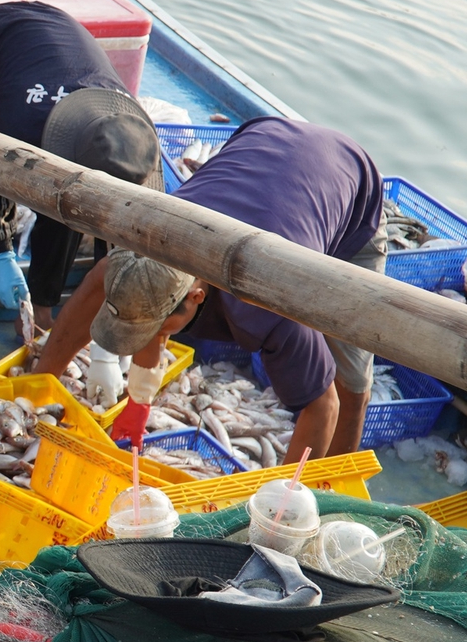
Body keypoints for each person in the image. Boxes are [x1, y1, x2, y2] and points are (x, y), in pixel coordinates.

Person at [32, 117, 386, 461]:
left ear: (196, 297)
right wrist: (36, 393)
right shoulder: (143, 241)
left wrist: (278, 505)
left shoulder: (266, 304)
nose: (150, 337)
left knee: (350, 381)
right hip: (265, 137)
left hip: (352, 192)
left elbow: (323, 406)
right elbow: (109, 291)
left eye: (154, 329)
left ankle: (333, 487)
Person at [0, 0, 162, 367]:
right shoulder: (16, 122)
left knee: (70, 212)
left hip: (59, 50)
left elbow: (123, 235)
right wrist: (1, 250)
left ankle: (41, 312)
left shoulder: (130, 138)